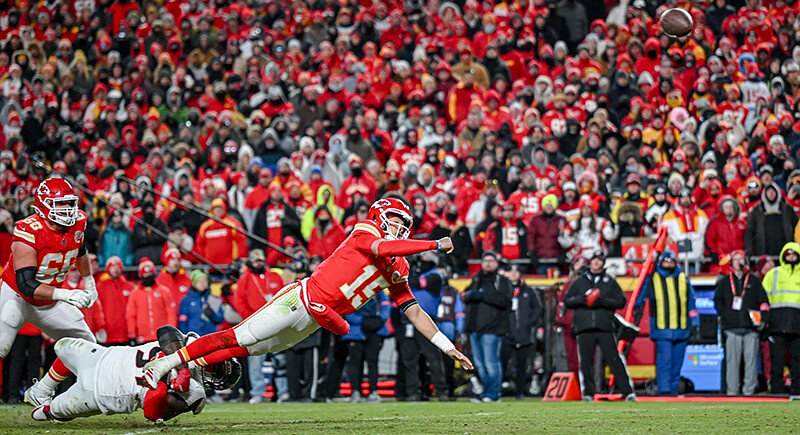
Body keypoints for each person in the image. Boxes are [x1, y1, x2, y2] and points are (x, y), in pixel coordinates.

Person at [142, 198, 472, 390]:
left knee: (249, 350)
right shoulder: (366, 229)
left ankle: (189, 364)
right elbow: (381, 247)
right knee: (238, 336)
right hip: (300, 299)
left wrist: (448, 347)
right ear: (379, 215)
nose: (401, 227)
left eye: (405, 223)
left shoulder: (400, 265)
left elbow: (413, 310)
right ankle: (165, 363)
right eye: (396, 219)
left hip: (315, 319)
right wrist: (433, 243)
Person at [1, 178, 99, 407]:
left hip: (48, 301)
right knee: (2, 344)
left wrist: (89, 282)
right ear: (43, 205)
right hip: (17, 296)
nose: (67, 209)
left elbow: (79, 249)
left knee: (86, 345)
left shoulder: (78, 222)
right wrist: (65, 295)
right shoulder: (28, 229)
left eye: (69, 203)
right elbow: (26, 284)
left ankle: (42, 390)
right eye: (60, 204)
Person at [30, 326, 235, 422]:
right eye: (216, 364)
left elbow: (153, 413)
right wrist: (182, 370)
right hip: (103, 356)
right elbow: (165, 331)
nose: (210, 367)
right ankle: (41, 390)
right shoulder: (189, 344)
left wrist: (161, 384)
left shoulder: (195, 393)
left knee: (48, 413)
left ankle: (46, 407)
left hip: (101, 394)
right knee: (63, 345)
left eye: (215, 372)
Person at [564, 250, 635, 401]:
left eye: (599, 260)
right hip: (584, 327)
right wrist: (584, 299)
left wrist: (601, 301)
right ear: (590, 262)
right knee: (586, 362)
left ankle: (627, 391)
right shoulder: (580, 281)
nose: (596, 263)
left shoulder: (609, 281)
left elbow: (621, 301)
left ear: (603, 263)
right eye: (594, 260)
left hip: (604, 326)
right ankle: (588, 393)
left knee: (614, 359)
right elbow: (568, 300)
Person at [635, 250, 699, 395]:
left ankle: (673, 391)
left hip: (681, 328)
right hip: (662, 328)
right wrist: (636, 308)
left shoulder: (683, 278)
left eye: (671, 261)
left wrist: (695, 323)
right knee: (664, 362)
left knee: (677, 364)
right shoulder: (653, 278)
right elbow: (641, 295)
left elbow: (691, 302)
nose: (669, 264)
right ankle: (664, 391)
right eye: (666, 261)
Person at [714, 250, 770, 396]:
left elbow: (763, 301)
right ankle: (732, 391)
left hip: (751, 328)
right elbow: (718, 302)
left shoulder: (754, 280)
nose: (739, 261)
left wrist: (762, 319)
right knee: (732, 362)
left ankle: (749, 391)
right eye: (736, 259)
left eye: (741, 258)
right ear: (731, 263)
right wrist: (726, 316)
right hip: (732, 328)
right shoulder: (724, 282)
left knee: (751, 363)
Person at [398, 251, 450, 401]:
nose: (421, 258)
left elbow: (415, 283)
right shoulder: (416, 273)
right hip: (408, 320)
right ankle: (413, 391)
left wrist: (407, 267)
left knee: (432, 356)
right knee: (409, 358)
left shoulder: (435, 276)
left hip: (426, 319)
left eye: (425, 256)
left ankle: (441, 390)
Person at [463, 251, 513, 403]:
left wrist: (483, 295)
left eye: (491, 261)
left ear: (496, 264)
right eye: (485, 261)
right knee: (481, 365)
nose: (488, 264)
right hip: (474, 329)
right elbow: (465, 295)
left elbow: (506, 301)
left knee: (491, 363)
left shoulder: (501, 280)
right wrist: (470, 295)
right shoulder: (476, 279)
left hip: (492, 329)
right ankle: (486, 393)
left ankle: (493, 394)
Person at [761, 242, 800, 394]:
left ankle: (797, 391)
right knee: (776, 360)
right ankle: (776, 391)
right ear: (783, 256)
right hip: (777, 323)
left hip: (797, 323)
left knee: (798, 360)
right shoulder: (773, 274)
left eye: (794, 255)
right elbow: (763, 298)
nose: (791, 257)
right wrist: (765, 320)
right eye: (788, 255)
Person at [502, 264, 542, 400]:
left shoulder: (528, 291)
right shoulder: (504, 289)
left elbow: (537, 308)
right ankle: (501, 388)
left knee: (522, 364)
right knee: (502, 362)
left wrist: (529, 322)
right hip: (507, 333)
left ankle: (520, 392)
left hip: (523, 334)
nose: (513, 274)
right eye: (511, 271)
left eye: (516, 271)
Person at [127, 258, 177, 344]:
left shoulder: (164, 291)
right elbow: (131, 315)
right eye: (145, 274)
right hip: (142, 337)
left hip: (162, 337)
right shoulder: (135, 293)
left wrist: (171, 331)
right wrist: (132, 334)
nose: (148, 276)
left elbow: (170, 313)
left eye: (150, 274)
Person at [194, 198, 248, 266]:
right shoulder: (205, 226)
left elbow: (241, 240)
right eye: (215, 208)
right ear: (212, 210)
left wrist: (238, 258)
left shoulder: (232, 223)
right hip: (210, 266)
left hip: (230, 265)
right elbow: (199, 244)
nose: (218, 211)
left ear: (224, 209)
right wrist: (202, 259)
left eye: (220, 208)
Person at [95, 256, 134, 346]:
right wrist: (99, 327)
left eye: (118, 267)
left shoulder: (130, 287)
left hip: (125, 333)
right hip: (108, 334)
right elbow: (96, 310)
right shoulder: (100, 287)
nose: (116, 269)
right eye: (113, 267)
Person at [178, 270, 224, 337]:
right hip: (193, 337)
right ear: (194, 283)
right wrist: (184, 337)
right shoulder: (186, 300)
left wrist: (212, 314)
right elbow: (182, 321)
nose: (202, 283)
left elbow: (220, 319)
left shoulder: (214, 299)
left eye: (204, 281)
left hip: (210, 336)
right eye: (199, 281)